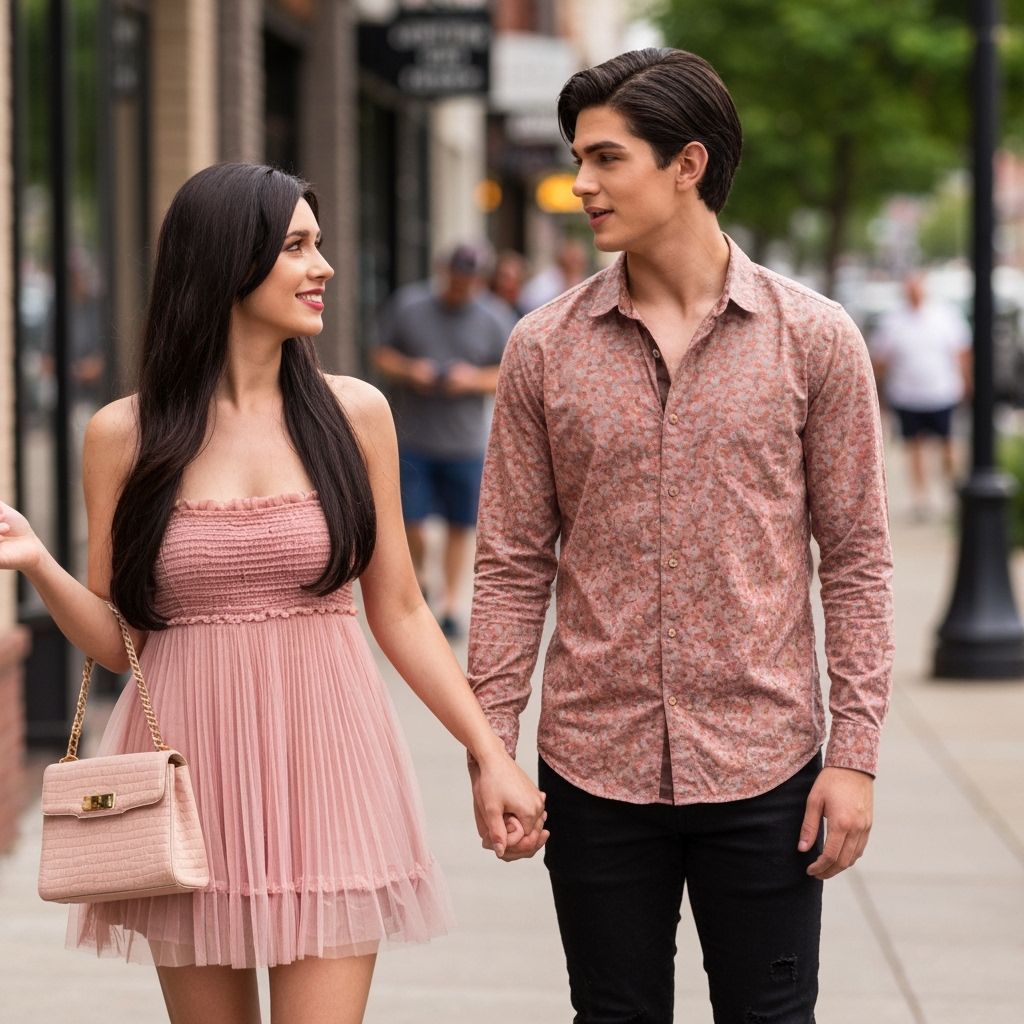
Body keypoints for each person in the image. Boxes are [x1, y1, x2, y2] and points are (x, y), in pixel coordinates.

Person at [0, 164, 545, 1024]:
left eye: (317, 243)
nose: (322, 266)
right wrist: (38, 563)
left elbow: (399, 610)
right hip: (189, 780)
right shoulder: (124, 435)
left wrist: (491, 754)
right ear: (226, 262)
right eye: (296, 246)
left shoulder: (355, 414)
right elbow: (117, 642)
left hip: (332, 767)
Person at [467, 48, 894, 1023]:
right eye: (579, 157)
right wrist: (491, 744)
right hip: (593, 766)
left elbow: (858, 559)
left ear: (687, 165)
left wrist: (855, 755)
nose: (580, 183)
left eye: (607, 158)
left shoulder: (814, 338)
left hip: (765, 759)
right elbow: (511, 562)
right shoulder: (543, 348)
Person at [371, 244, 514, 639]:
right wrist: (411, 370)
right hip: (414, 438)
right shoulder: (409, 306)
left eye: (468, 279)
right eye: (455, 276)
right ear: (442, 271)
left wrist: (472, 379)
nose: (460, 285)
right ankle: (422, 576)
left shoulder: (495, 317)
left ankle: (450, 603)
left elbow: (509, 374)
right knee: (411, 523)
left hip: (466, 443)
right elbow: (380, 355)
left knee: (458, 526)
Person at [871, 271, 971, 520]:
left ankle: (951, 489)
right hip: (907, 394)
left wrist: (967, 382)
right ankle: (921, 497)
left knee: (947, 445)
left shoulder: (944, 316)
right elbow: (881, 359)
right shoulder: (894, 321)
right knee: (914, 446)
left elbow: (961, 351)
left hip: (941, 391)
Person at [518, 238, 589, 312]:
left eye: (579, 259)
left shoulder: (582, 281)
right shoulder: (544, 282)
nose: (576, 263)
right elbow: (531, 305)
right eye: (573, 259)